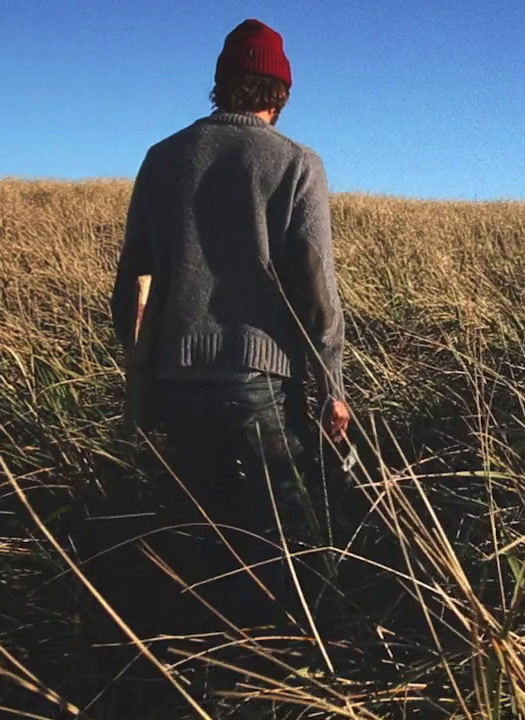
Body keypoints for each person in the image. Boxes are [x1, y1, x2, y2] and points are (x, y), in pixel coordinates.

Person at [109, 18, 350, 637]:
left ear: (220, 85)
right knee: (287, 527)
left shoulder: (162, 158)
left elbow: (133, 278)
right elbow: (316, 289)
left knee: (202, 525)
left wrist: (144, 369)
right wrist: (333, 386)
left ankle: (202, 649)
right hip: (260, 377)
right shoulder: (296, 162)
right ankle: (298, 653)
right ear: (282, 92)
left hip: (174, 374)